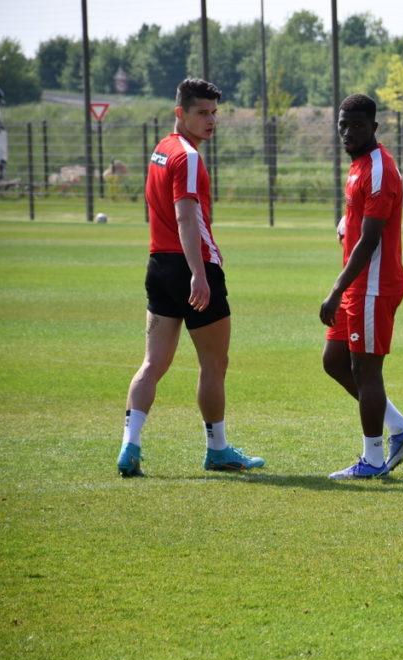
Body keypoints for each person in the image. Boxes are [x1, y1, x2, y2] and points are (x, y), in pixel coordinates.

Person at [117, 78, 263, 477]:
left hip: (159, 266)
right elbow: (185, 216)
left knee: (152, 364)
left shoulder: (161, 150)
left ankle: (130, 445)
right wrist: (199, 273)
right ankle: (217, 450)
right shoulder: (189, 158)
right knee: (214, 364)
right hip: (193, 266)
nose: (211, 120)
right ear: (180, 113)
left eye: (215, 112)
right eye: (202, 112)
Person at [319, 94, 403, 479]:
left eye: (357, 126)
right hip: (359, 286)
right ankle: (400, 428)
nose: (348, 132)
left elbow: (370, 240)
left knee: (366, 371)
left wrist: (335, 289)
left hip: (373, 287)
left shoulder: (379, 169)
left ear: (374, 127)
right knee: (334, 361)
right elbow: (357, 225)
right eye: (343, 125)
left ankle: (374, 459)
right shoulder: (359, 165)